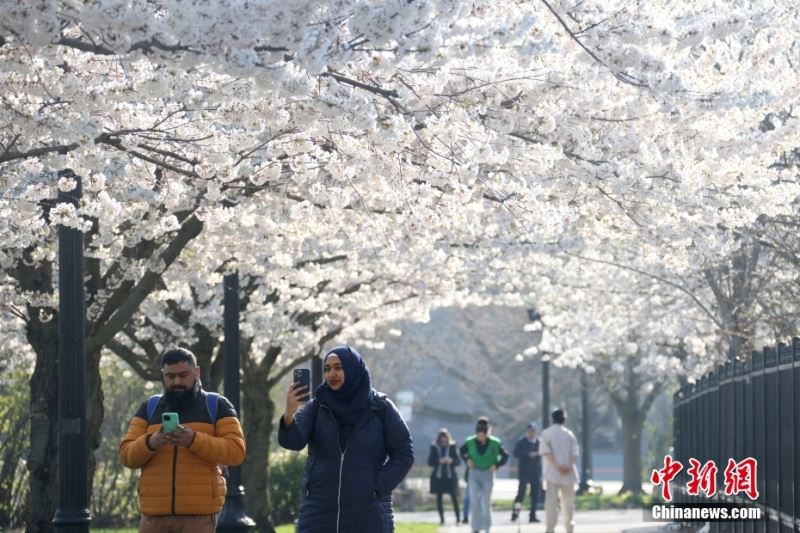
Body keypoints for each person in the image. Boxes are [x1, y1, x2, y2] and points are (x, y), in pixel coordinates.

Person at [278, 345, 414, 533]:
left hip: (368, 515)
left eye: (338, 367)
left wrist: (376, 486)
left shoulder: (380, 408)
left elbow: (404, 453)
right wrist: (289, 414)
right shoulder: (317, 406)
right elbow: (293, 441)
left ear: (353, 368)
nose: (331, 373)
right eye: (327, 369)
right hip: (319, 513)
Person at [119, 347, 246, 533]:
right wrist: (151, 442)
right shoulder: (149, 407)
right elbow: (126, 455)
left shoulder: (217, 405)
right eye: (170, 376)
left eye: (183, 375)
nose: (176, 381)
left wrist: (193, 439)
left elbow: (236, 452)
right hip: (153, 517)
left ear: (197, 372)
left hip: (199, 516)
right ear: (163, 376)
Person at [459, 416, 509, 533]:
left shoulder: (495, 442)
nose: (481, 437)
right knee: (474, 501)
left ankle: (487, 528)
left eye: (483, 435)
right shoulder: (470, 441)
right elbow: (461, 451)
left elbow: (505, 455)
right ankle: (475, 528)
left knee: (485, 502)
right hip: (474, 474)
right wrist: (467, 460)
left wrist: (496, 465)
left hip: (488, 474)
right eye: (479, 435)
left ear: (487, 433)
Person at [539, 409, 579, 533]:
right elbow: (574, 453)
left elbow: (546, 452)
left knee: (551, 503)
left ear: (552, 419)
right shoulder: (570, 434)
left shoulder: (546, 433)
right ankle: (569, 527)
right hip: (569, 473)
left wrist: (558, 466)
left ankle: (550, 528)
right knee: (568, 504)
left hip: (552, 473)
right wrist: (568, 465)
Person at [427, 428, 461, 525]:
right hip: (438, 477)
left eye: (445, 438)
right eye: (442, 438)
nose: (443, 440)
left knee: (454, 498)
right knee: (439, 499)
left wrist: (451, 461)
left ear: (448, 438)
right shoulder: (434, 447)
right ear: (439, 438)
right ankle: (442, 520)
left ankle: (458, 520)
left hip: (450, 477)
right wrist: (439, 461)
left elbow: (458, 461)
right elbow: (430, 462)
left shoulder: (453, 446)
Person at [512, 421, 542, 523]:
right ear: (527, 431)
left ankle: (532, 515)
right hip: (524, 471)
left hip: (535, 472)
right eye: (530, 431)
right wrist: (528, 454)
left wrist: (537, 454)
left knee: (535, 494)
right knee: (521, 494)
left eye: (533, 431)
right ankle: (515, 513)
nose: (532, 433)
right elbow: (516, 453)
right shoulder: (521, 442)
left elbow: (544, 453)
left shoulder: (539, 442)